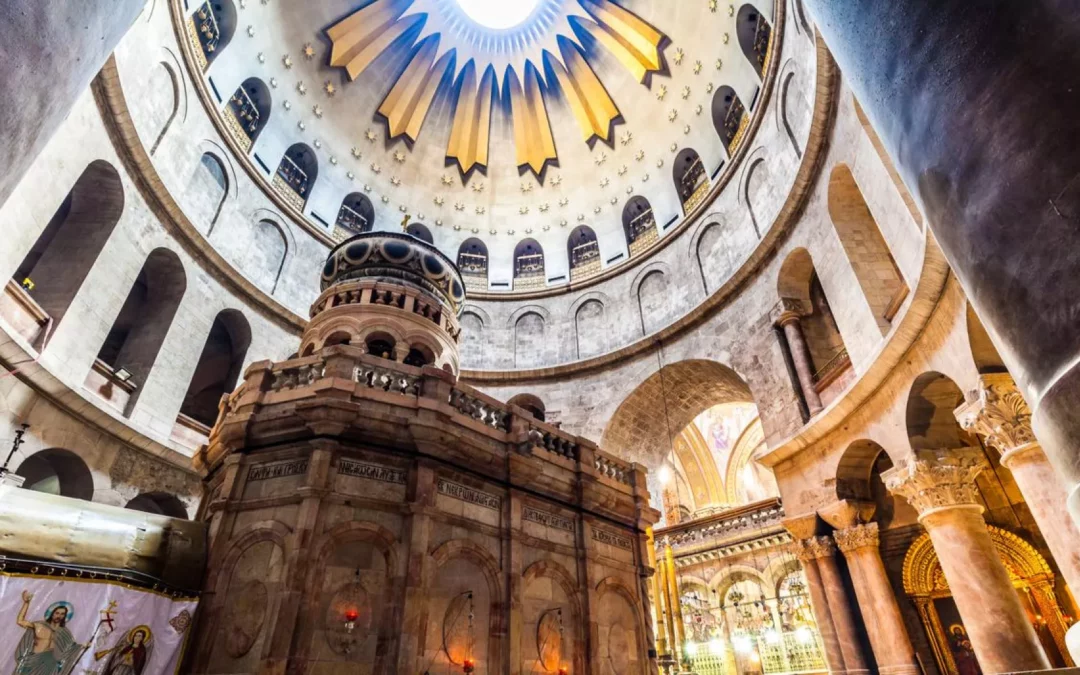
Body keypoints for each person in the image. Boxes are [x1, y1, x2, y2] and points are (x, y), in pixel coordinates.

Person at [13, 591, 85, 675]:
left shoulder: (64, 632)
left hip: (49, 665)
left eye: (62, 614)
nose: (59, 616)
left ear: (65, 616)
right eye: (57, 613)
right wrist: (26, 603)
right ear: (52, 614)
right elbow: (20, 621)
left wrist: (83, 646)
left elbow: (71, 648)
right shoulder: (39, 625)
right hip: (32, 661)